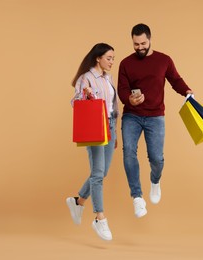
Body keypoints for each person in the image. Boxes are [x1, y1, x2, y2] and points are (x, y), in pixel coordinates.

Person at [117, 23, 193, 218]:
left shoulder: (164, 60)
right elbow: (122, 90)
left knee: (157, 159)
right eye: (136, 44)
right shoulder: (126, 63)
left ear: (150, 39)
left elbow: (175, 79)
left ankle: (155, 181)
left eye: (143, 43)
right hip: (132, 115)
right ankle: (137, 198)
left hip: (155, 116)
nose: (140, 47)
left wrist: (187, 91)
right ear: (132, 42)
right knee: (129, 153)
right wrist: (129, 99)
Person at [66, 43, 119, 241]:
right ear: (98, 58)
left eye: (113, 58)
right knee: (97, 174)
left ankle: (78, 201)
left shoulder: (108, 77)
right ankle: (100, 217)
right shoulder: (85, 78)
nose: (112, 62)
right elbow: (75, 102)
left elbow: (114, 104)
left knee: (102, 172)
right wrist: (84, 94)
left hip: (111, 125)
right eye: (109, 58)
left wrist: (115, 133)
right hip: (96, 126)